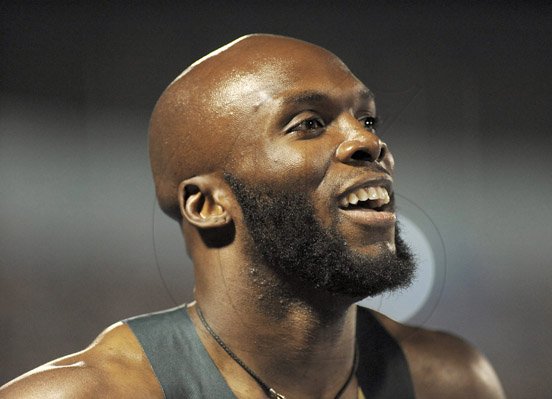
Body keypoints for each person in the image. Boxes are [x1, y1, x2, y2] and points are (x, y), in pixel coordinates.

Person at [0, 34, 505, 399]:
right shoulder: (92, 394)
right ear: (207, 205)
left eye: (367, 119)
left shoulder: (449, 380)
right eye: (308, 124)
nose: (370, 142)